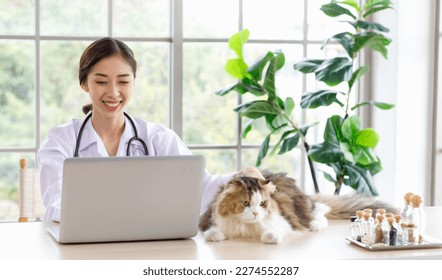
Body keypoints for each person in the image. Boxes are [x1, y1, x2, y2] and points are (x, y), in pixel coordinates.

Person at [37, 37, 233, 222]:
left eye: (123, 81)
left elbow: (201, 190)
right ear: (84, 84)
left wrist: (241, 179)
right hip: (79, 251)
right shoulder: (60, 141)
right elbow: (57, 205)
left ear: (133, 82)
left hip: (146, 249)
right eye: (101, 81)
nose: (113, 92)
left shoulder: (158, 139)